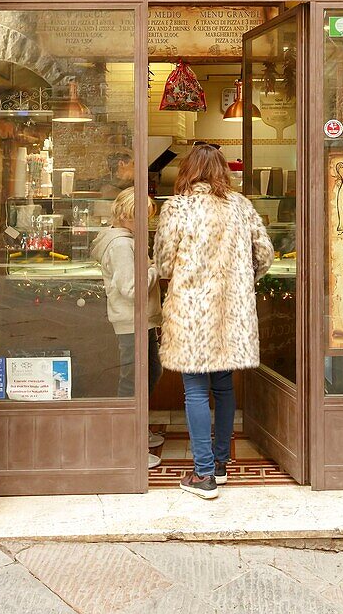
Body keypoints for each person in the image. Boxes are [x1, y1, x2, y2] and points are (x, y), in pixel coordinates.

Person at [153, 145, 274, 499]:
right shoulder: (241, 206)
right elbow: (264, 254)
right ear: (223, 171)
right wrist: (242, 282)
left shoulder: (178, 207)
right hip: (232, 313)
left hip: (191, 312)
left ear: (187, 171)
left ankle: (203, 474)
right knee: (223, 388)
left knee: (194, 390)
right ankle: (220, 466)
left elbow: (163, 263)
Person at [91, 187, 164, 469]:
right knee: (132, 381)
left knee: (149, 372)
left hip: (138, 319)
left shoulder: (126, 240)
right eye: (141, 218)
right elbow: (131, 288)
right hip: (131, 320)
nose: (146, 224)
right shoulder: (122, 245)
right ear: (125, 215)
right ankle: (126, 444)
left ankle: (136, 428)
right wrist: (156, 267)